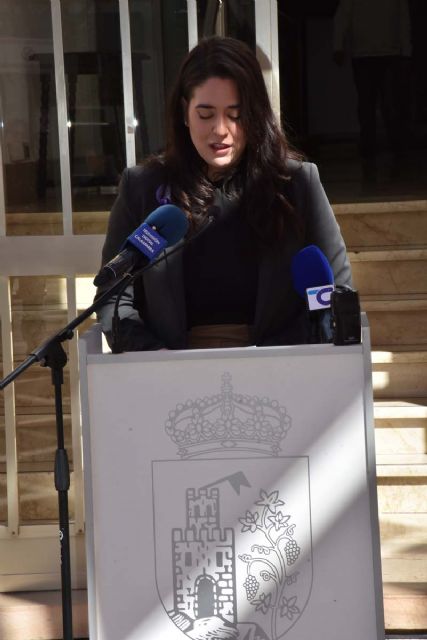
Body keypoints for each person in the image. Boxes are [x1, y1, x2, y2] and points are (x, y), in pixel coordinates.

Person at [96, 36, 352, 351]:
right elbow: (113, 299)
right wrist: (158, 359)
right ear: (184, 112)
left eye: (235, 114)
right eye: (206, 114)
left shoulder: (297, 184)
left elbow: (335, 294)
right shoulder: (143, 187)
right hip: (169, 368)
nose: (220, 130)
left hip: (280, 365)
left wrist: (277, 355)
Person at [333, 0, 412, 183]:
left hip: (387, 54)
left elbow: (403, 19)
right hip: (366, 55)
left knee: (387, 106)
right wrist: (338, 45)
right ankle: (373, 152)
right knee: (369, 106)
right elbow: (342, 16)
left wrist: (406, 51)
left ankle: (395, 151)